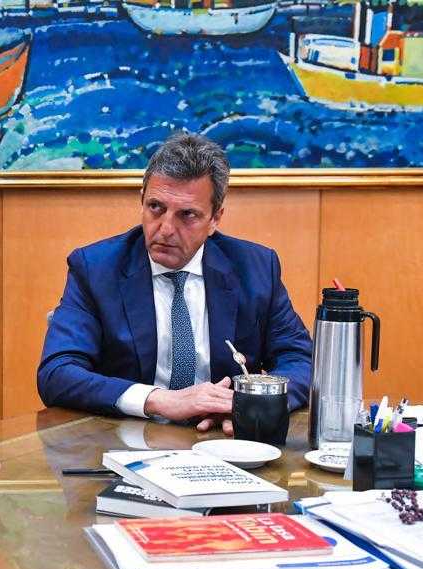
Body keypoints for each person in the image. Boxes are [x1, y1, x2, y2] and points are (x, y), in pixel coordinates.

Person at [37, 132, 312, 434]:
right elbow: (58, 373)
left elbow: (300, 360)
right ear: (141, 200)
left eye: (187, 215)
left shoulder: (255, 268)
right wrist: (157, 400)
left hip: (225, 440)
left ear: (215, 219)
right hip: (124, 441)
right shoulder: (96, 269)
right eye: (156, 207)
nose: (166, 229)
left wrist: (248, 405)